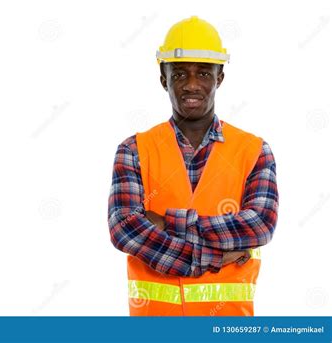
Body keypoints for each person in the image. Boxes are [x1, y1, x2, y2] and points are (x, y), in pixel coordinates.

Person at [107, 16, 279, 316]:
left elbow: (259, 225)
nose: (191, 85)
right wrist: (214, 256)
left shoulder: (254, 151)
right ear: (164, 80)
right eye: (179, 74)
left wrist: (168, 223)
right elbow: (124, 229)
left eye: (203, 73)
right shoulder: (133, 150)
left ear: (219, 78)